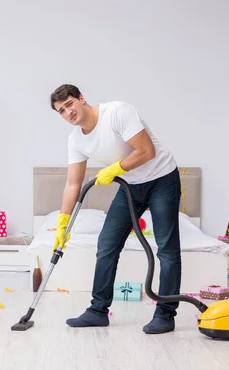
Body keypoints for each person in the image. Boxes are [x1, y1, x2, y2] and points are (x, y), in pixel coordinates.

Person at [50, 84, 181, 334]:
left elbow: (146, 151)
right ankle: (98, 311)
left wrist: (114, 169)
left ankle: (165, 315)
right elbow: (73, 183)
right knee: (107, 244)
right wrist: (63, 221)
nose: (68, 112)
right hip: (130, 186)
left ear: (81, 98)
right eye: (61, 111)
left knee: (167, 250)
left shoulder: (117, 112)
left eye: (69, 104)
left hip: (162, 179)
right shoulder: (76, 139)